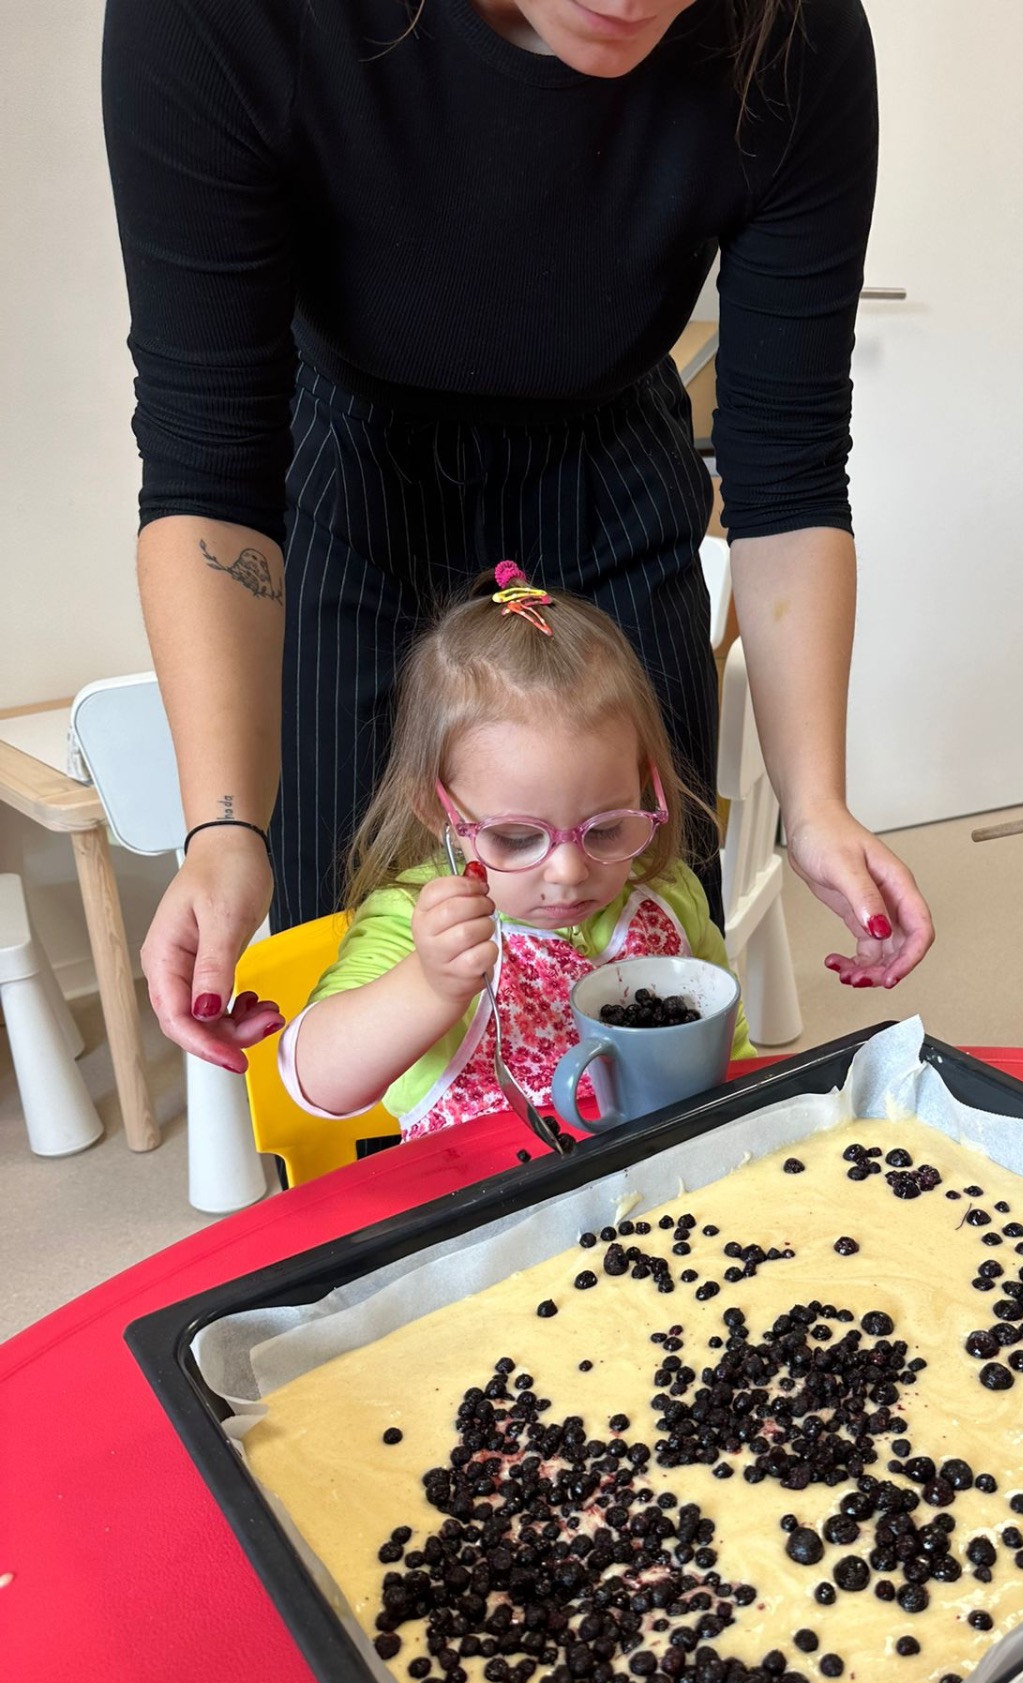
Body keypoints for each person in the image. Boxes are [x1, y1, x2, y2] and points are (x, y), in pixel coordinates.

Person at [101, 0, 934, 1078]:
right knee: (363, 974)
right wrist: (223, 831)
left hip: (613, 466)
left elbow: (790, 472)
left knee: (644, 948)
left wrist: (813, 804)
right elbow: (210, 465)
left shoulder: (793, 33)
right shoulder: (227, 21)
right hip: (356, 478)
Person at [277, 565, 753, 1135]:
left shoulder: (668, 894)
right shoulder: (414, 921)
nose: (569, 871)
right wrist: (429, 985)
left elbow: (729, 1056)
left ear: (645, 786)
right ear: (438, 810)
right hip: (483, 1187)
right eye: (517, 838)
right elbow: (316, 1081)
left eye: (606, 828)